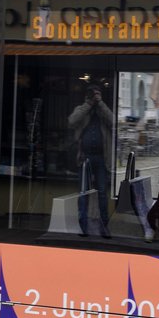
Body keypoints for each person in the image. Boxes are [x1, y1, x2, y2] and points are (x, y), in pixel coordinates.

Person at [67, 84, 115, 239]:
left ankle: (104, 227)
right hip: (85, 158)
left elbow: (114, 122)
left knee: (102, 193)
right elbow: (72, 121)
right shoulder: (82, 109)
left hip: (101, 158)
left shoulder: (103, 111)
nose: (94, 97)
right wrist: (88, 104)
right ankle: (83, 227)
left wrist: (100, 103)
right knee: (83, 193)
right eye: (92, 94)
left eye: (97, 94)